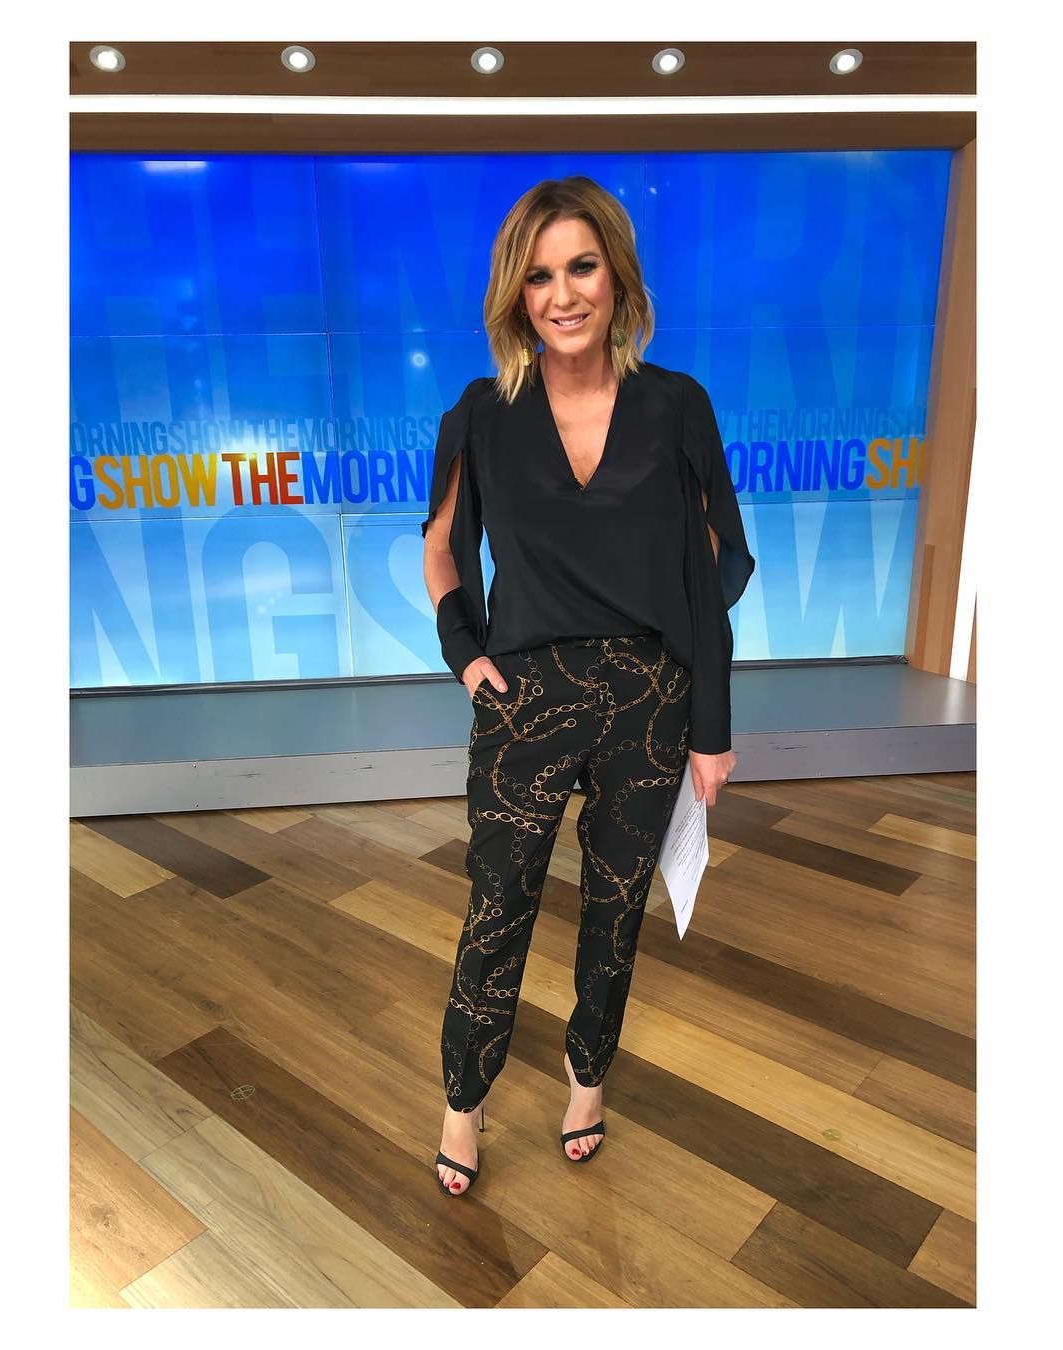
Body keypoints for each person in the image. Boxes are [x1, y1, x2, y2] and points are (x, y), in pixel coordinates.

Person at [421, 176, 755, 1196]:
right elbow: (442, 545)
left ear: (617, 276)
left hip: (649, 698)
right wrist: (467, 655)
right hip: (524, 698)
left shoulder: (678, 405)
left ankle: (587, 1079)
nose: (562, 295)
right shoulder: (480, 414)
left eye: (580, 267)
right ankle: (463, 1100)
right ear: (514, 296)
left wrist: (709, 722)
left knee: (616, 910)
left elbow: (715, 566)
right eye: (537, 278)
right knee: (497, 906)